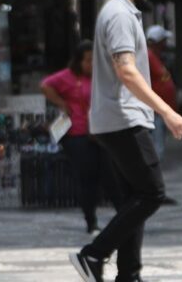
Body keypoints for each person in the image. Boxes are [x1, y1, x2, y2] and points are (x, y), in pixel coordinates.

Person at [70, 0, 182, 282]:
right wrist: (167, 112)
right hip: (125, 118)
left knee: (132, 199)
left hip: (115, 119)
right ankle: (93, 254)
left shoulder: (116, 12)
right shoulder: (120, 15)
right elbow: (127, 71)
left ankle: (129, 275)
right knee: (152, 193)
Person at [41, 40, 121, 235]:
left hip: (101, 132)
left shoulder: (101, 77)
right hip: (77, 134)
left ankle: (123, 216)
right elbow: (45, 85)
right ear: (78, 61)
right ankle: (91, 221)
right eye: (87, 60)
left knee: (111, 176)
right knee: (87, 178)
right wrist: (61, 102)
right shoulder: (67, 77)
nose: (91, 64)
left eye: (94, 60)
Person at [145, 25, 177, 160]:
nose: (166, 44)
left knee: (158, 146)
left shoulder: (156, 57)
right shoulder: (147, 56)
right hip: (154, 111)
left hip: (160, 110)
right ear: (158, 42)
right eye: (164, 40)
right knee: (156, 148)